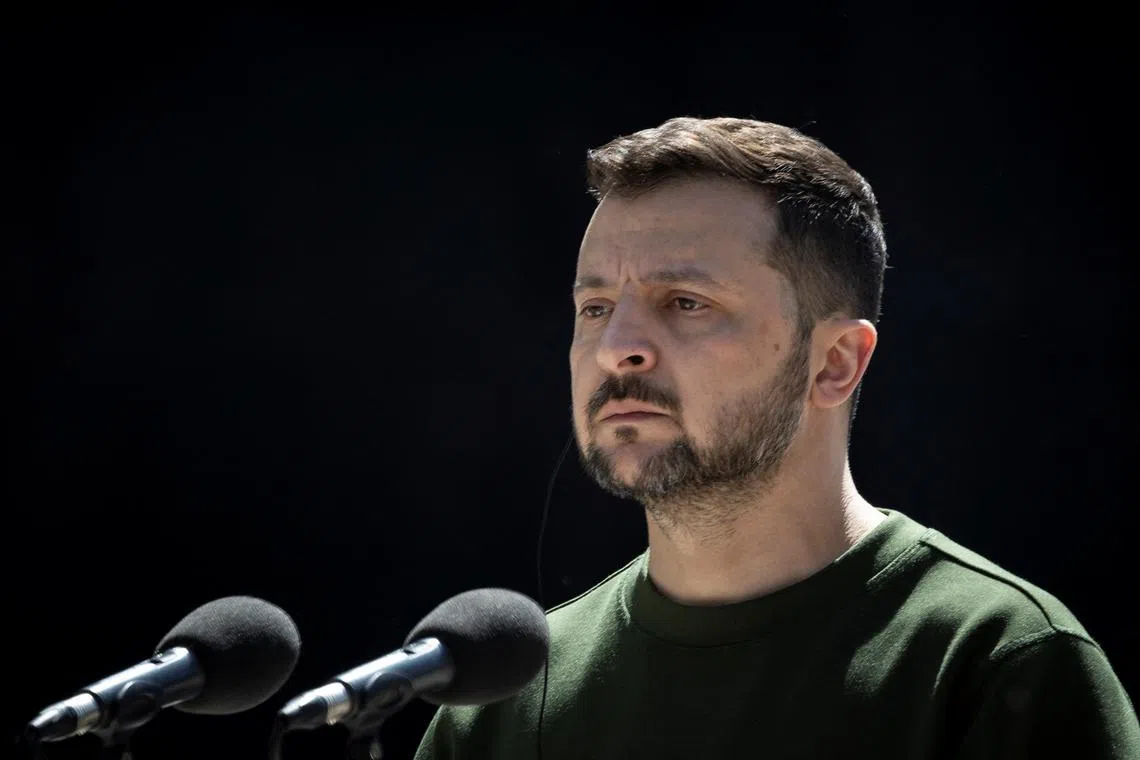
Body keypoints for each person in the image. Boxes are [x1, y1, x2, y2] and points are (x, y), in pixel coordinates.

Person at [413, 117, 1140, 758]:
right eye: (596, 307)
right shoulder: (501, 698)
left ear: (834, 363)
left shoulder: (993, 662)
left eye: (686, 303)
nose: (617, 348)